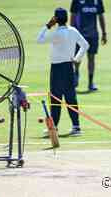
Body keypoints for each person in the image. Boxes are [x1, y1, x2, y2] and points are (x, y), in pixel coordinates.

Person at [37, 8, 89, 136]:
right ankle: (76, 127)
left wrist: (47, 26)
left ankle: (53, 128)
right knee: (71, 97)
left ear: (55, 19)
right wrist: (77, 59)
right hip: (69, 67)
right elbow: (85, 45)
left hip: (57, 69)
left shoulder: (56, 34)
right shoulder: (73, 30)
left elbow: (39, 39)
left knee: (55, 98)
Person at [70, 0, 107, 91]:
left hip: (93, 35)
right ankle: (76, 74)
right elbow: (73, 16)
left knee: (91, 58)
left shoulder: (97, 1)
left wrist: (104, 33)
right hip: (79, 35)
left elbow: (101, 16)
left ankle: (90, 82)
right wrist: (72, 33)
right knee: (78, 57)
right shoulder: (77, 1)